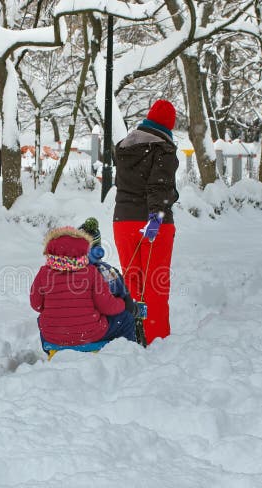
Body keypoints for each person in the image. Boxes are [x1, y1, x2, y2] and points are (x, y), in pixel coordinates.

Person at [113, 99, 180, 345]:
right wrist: (156, 219)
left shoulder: (122, 148)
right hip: (153, 224)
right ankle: (156, 339)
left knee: (132, 281)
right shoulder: (163, 149)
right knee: (156, 284)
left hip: (122, 222)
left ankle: (132, 335)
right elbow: (159, 188)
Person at [30, 226, 136, 351]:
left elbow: (36, 305)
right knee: (126, 319)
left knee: (43, 321)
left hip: (54, 336)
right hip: (88, 334)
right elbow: (106, 306)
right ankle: (129, 353)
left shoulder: (44, 273)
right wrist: (123, 305)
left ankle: (51, 352)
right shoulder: (91, 272)